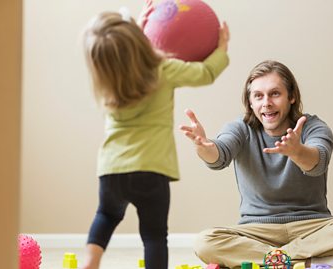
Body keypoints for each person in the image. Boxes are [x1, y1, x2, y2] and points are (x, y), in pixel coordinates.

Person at [179, 60, 333, 269]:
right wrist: (204, 147)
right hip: (257, 230)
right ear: (250, 102)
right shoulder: (240, 128)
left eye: (275, 93)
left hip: (312, 227)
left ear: (291, 97)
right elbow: (219, 155)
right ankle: (309, 261)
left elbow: (318, 162)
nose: (266, 102)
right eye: (258, 96)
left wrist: (297, 151)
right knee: (205, 242)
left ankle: (276, 260)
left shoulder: (313, 126)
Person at [81, 1, 230, 268]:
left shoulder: (106, 82)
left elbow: (121, 53)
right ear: (139, 41)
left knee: (105, 215)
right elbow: (206, 73)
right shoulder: (162, 70)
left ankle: (89, 262)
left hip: (112, 169)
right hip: (151, 169)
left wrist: (136, 29)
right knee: (153, 235)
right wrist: (221, 49)